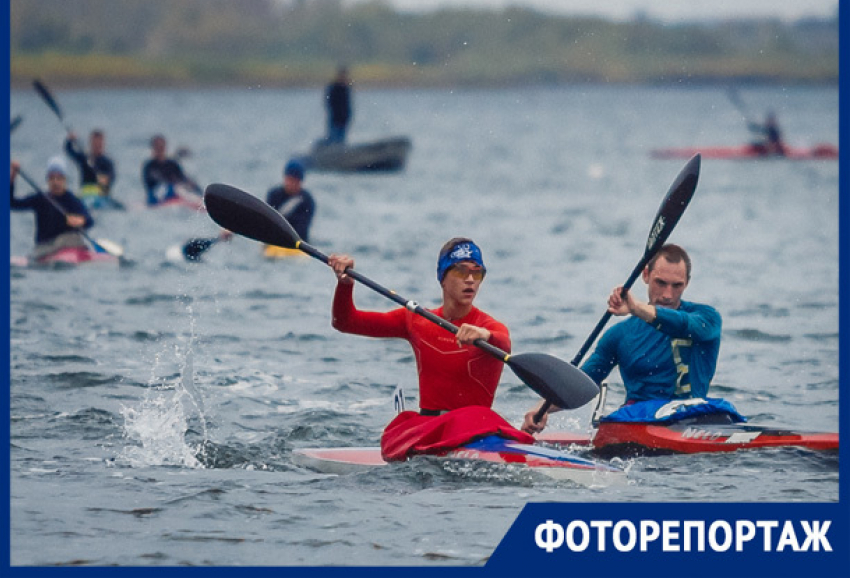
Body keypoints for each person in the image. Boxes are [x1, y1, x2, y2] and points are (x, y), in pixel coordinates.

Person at [328, 238, 534, 461]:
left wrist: (484, 336)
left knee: (478, 416)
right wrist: (345, 284)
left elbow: (503, 343)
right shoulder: (417, 321)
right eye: (460, 271)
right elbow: (346, 322)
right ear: (442, 278)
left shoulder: (489, 327)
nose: (470, 280)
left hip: (475, 431)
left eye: (477, 273)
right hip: (427, 430)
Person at [522, 244, 722, 434]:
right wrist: (541, 409)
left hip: (691, 420)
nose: (668, 294)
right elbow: (584, 382)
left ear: (687, 282)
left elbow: (682, 324)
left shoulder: (707, 319)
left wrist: (636, 309)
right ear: (645, 275)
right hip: (638, 423)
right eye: (660, 283)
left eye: (677, 285)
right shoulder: (619, 335)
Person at [10, 157, 94, 259]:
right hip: (44, 247)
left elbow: (90, 220)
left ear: (65, 180)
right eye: (52, 178)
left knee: (73, 237)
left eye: (59, 178)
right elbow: (12, 203)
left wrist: (80, 220)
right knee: (69, 239)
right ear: (47, 180)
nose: (55, 182)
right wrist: (12, 177)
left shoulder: (71, 199)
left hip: (67, 245)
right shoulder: (40, 198)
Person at [141, 134, 202, 206]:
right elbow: (152, 183)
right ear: (153, 148)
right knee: (174, 188)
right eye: (157, 147)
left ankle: (200, 200)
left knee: (187, 186)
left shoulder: (172, 164)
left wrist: (193, 186)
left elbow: (182, 178)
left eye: (161, 147)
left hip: (174, 191)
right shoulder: (149, 166)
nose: (160, 149)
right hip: (156, 195)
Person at [266, 159, 316, 241]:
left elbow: (302, 228)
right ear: (285, 178)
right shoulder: (274, 195)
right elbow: (268, 222)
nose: (292, 184)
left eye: (295, 181)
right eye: (290, 179)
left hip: (297, 242)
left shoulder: (307, 201)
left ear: (301, 181)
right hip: (274, 240)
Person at [64, 129, 116, 198]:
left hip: (101, 196)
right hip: (85, 194)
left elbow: (112, 177)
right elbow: (70, 151)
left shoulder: (108, 162)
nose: (97, 146)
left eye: (99, 144)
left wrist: (105, 178)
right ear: (91, 143)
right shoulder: (84, 158)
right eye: (95, 144)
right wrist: (70, 140)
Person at [324, 67, 352, 144]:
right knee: (334, 139)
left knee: (341, 140)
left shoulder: (346, 89)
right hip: (335, 119)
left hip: (344, 119)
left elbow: (347, 105)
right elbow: (329, 103)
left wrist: (347, 116)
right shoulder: (334, 88)